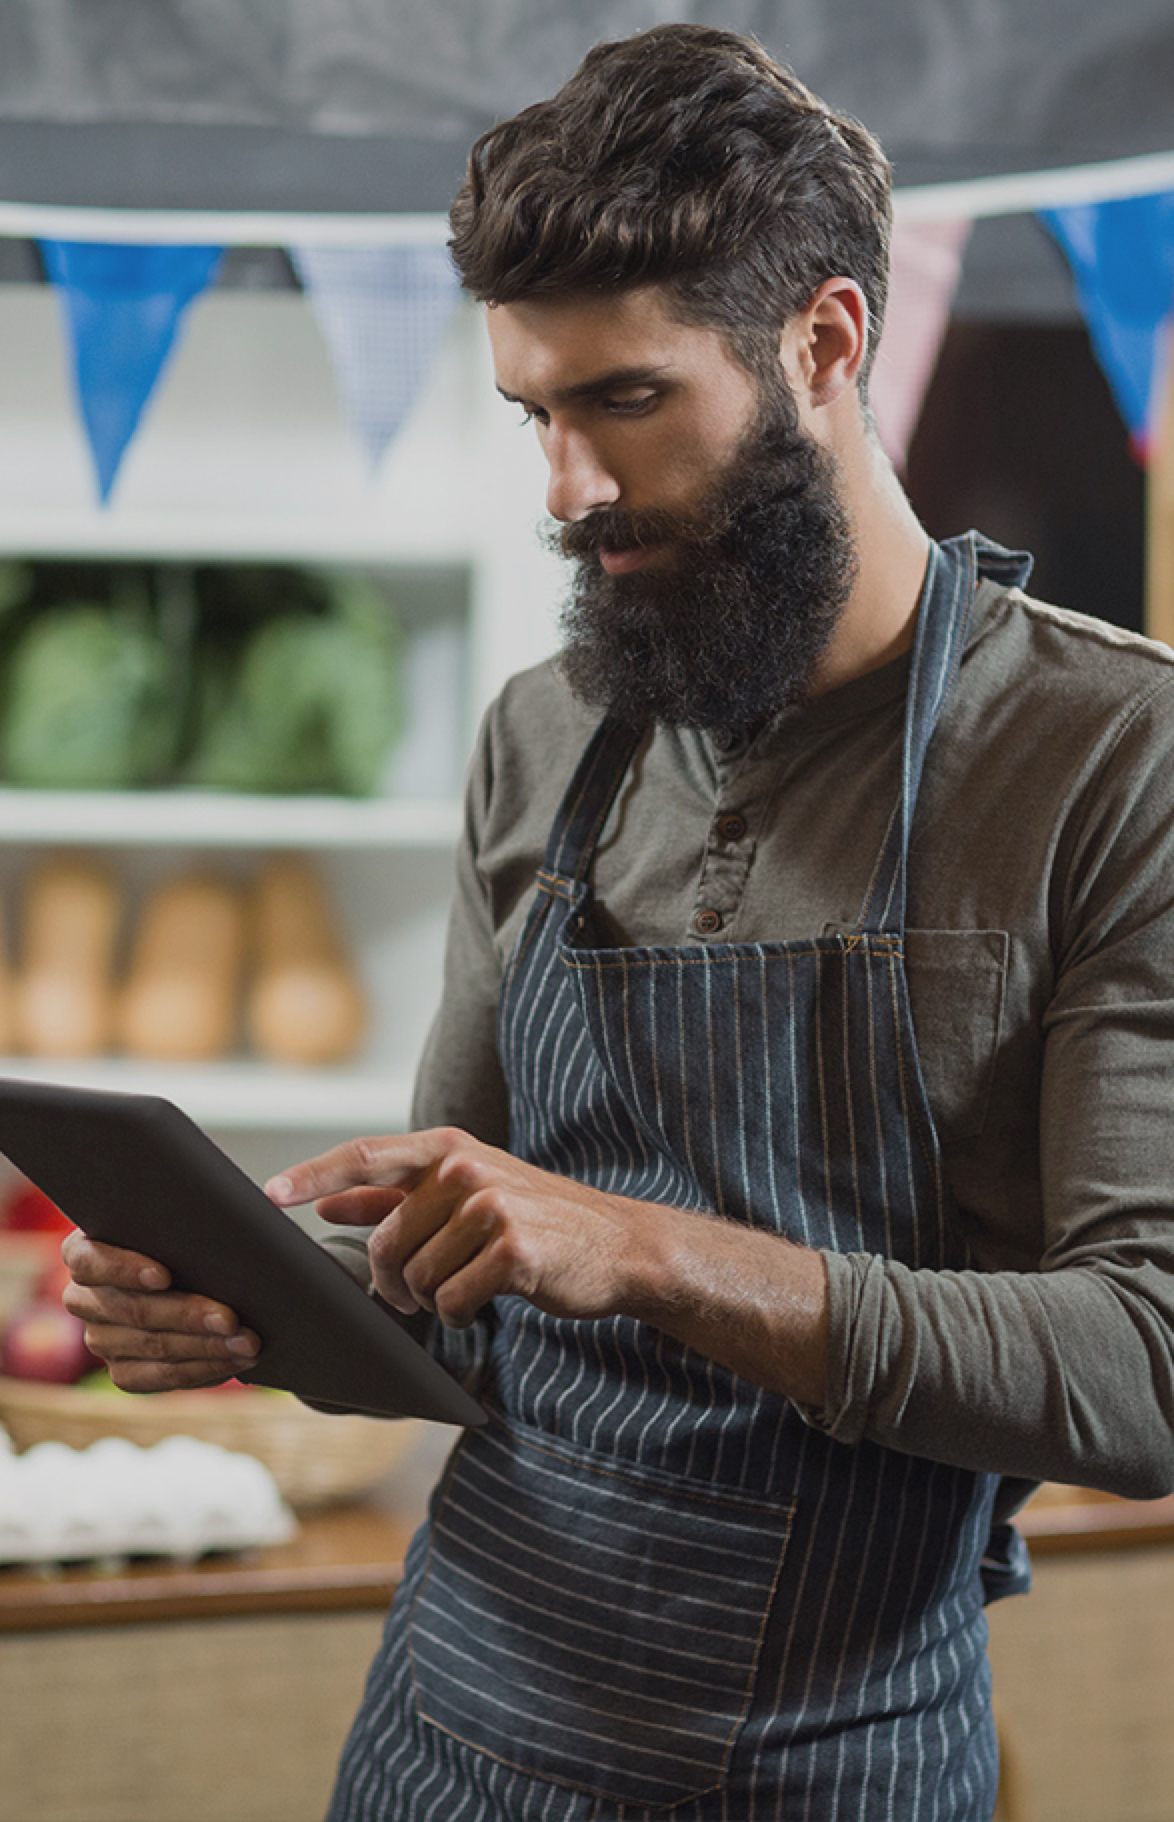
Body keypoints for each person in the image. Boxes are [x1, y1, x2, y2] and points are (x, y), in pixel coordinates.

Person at [63, 23, 1174, 1821]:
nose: (564, 489)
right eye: (534, 413)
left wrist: (642, 1246)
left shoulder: (1108, 758)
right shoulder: (543, 732)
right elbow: (458, 1277)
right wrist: (244, 1302)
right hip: (448, 1729)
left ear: (825, 340)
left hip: (836, 1767)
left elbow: (1142, 1368)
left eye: (626, 403)